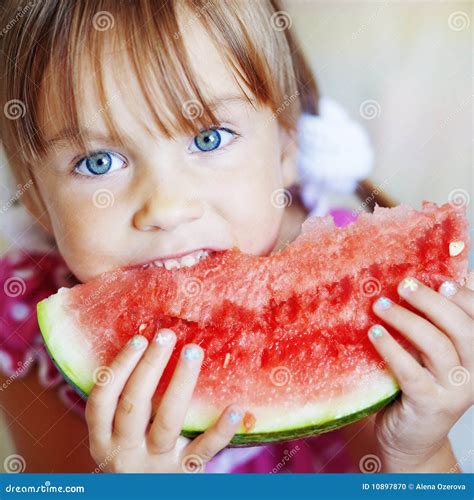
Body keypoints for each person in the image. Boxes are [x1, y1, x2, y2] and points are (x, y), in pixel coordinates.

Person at [0, 0, 472, 474]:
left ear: (288, 145)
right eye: (97, 162)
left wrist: (418, 452)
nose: (167, 207)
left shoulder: (357, 283)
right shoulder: (26, 327)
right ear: (37, 198)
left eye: (209, 138)